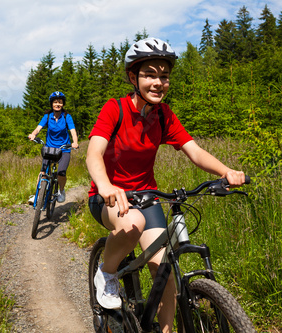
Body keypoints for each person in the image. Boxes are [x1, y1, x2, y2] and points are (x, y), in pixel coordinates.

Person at [85, 37, 247, 333]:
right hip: (108, 198)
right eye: (150, 75)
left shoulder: (163, 115)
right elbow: (94, 152)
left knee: (165, 271)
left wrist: (227, 171)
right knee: (131, 224)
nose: (159, 82)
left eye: (164, 75)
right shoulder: (115, 109)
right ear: (133, 77)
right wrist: (106, 185)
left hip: (147, 198)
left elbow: (194, 151)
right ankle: (106, 273)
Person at [28, 91, 79, 203]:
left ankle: (61, 190)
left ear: (63, 104)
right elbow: (38, 128)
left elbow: (73, 131)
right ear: (51, 104)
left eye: (60, 102)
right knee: (43, 172)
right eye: (55, 102)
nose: (57, 104)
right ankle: (37, 195)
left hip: (63, 149)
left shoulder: (67, 117)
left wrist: (75, 142)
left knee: (61, 172)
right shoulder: (47, 117)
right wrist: (33, 134)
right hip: (49, 148)